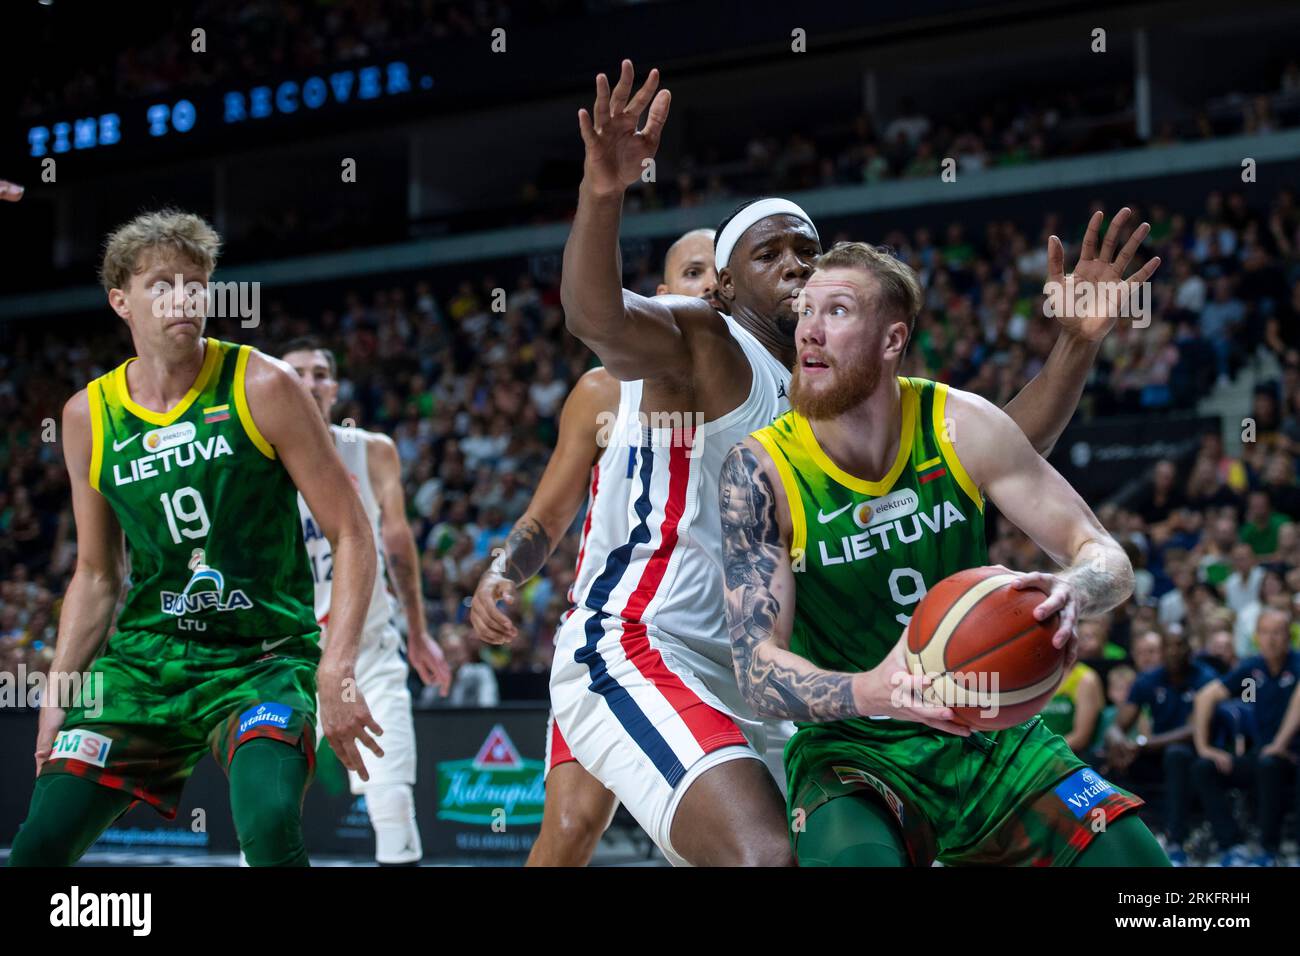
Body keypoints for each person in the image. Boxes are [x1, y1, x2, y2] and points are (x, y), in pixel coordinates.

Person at [551, 59, 1151, 866]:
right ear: (723, 288)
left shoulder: (856, 388)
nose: (798, 266)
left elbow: (1002, 449)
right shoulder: (709, 343)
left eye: (811, 252)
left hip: (786, 671)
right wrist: (602, 192)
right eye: (773, 256)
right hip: (664, 641)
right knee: (663, 843)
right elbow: (596, 316)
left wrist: (1074, 346)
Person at [720, 240, 1167, 866]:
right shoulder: (760, 470)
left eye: (839, 311)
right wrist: (876, 691)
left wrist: (1075, 589)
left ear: (891, 340)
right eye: (806, 311)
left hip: (991, 735)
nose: (810, 333)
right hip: (854, 750)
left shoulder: (961, 424)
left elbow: (1105, 556)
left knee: (1157, 884)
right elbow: (758, 674)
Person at [8, 210, 379, 867]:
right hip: (146, 663)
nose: (183, 297)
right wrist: (59, 696)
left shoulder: (263, 384)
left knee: (267, 825)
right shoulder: (87, 417)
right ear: (120, 300)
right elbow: (96, 574)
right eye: (161, 284)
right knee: (37, 847)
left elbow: (351, 532)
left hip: (263, 656)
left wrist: (338, 665)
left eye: (194, 282)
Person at [472, 227, 740, 866]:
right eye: (694, 273)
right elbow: (549, 513)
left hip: (734, 649)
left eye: (720, 275)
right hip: (623, 637)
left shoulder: (768, 388)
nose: (709, 286)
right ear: (664, 295)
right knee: (569, 828)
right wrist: (501, 572)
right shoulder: (603, 392)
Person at [282, 337, 451, 866]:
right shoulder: (254, 459)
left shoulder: (372, 449)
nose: (309, 382)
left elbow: (399, 544)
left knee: (393, 803)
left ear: (333, 387)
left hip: (368, 650)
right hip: (285, 654)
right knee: (266, 810)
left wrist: (419, 632)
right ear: (277, 385)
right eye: (297, 373)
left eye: (319, 373)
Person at [1192, 607, 1300, 866]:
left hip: (1292, 756)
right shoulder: (1253, 668)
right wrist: (1205, 747)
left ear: (1288, 636)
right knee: (1204, 768)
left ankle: (1268, 849)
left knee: (1268, 764)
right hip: (1262, 754)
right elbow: (1206, 696)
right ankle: (1232, 845)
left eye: (1277, 633)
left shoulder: (1297, 664)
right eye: (1264, 632)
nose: (1271, 639)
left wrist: (1279, 744)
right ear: (1256, 637)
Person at [1105, 629, 1218, 865]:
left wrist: (1143, 744)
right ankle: (1121, 839)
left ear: (1190, 649)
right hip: (1155, 753)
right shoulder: (1149, 679)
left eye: (1180, 646)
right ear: (1162, 652)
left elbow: (1195, 729)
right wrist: (1119, 743)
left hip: (1197, 752)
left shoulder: (1205, 677)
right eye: (1168, 646)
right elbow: (1117, 725)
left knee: (1176, 755)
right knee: (1110, 759)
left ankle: (1176, 841)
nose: (1174, 652)